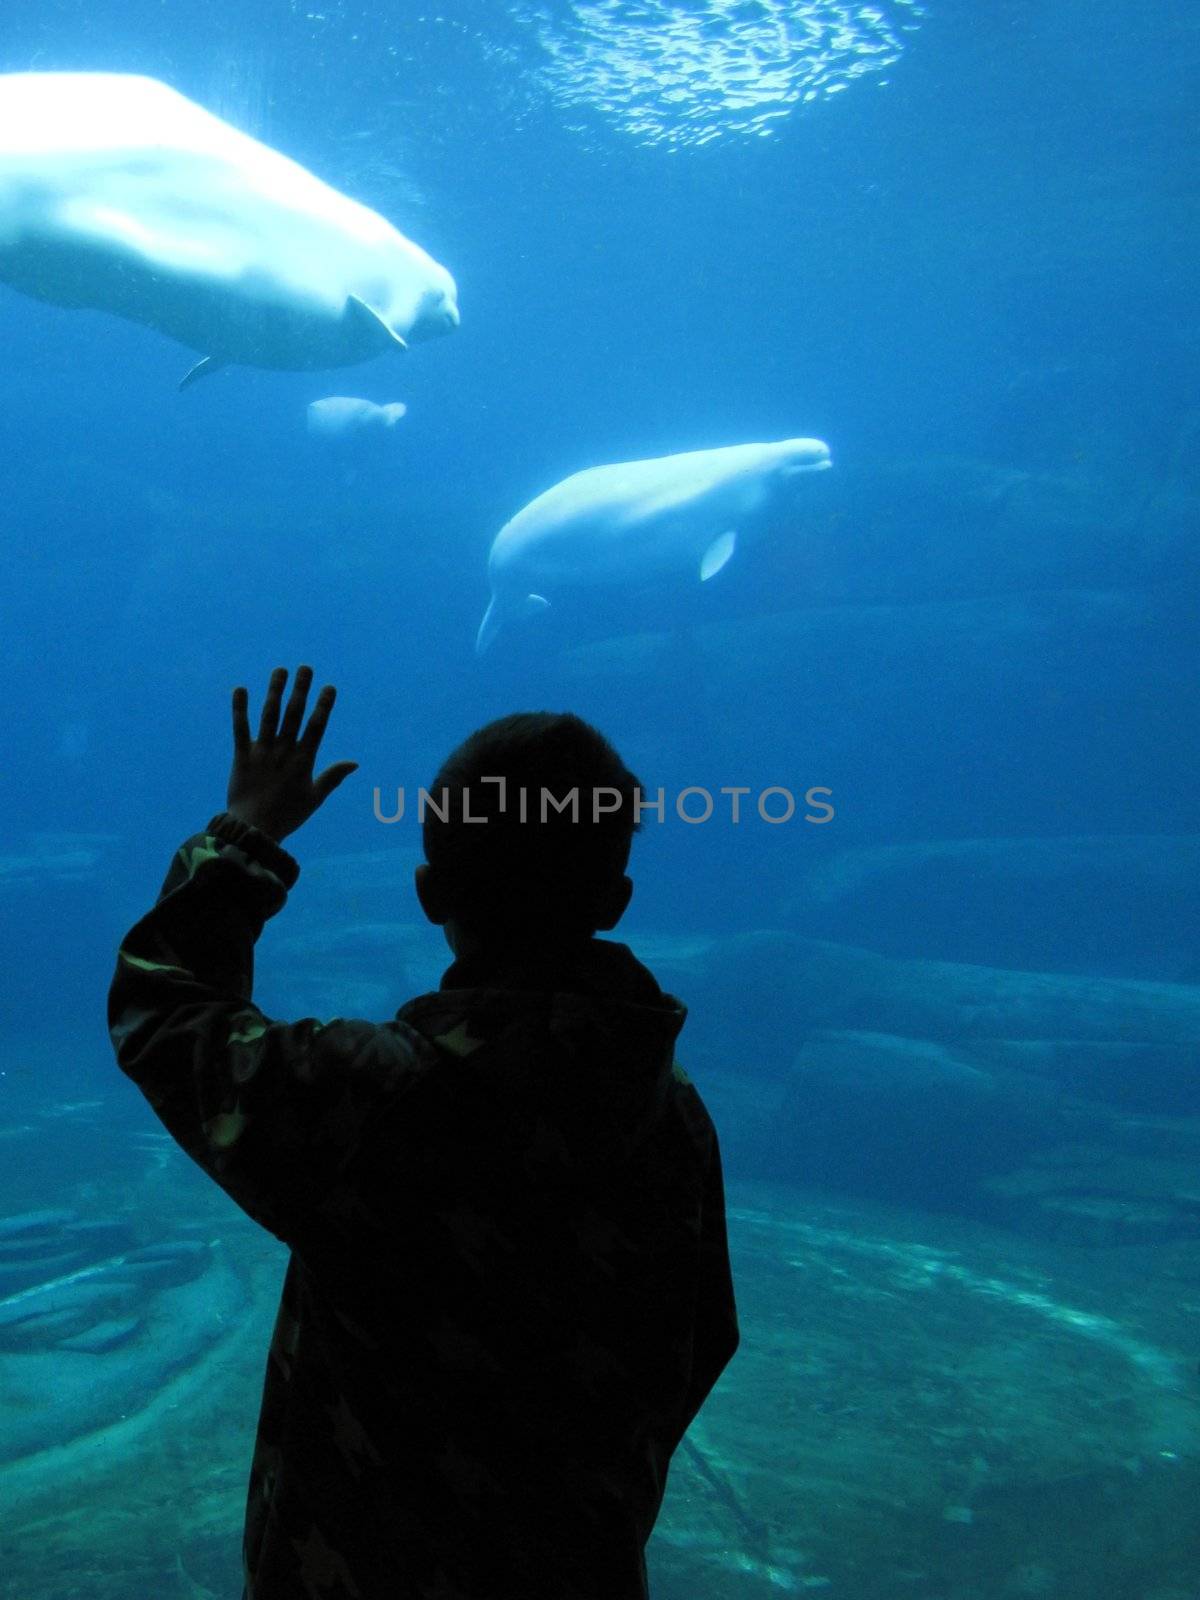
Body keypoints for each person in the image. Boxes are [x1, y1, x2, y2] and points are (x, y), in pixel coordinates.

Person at [108, 664, 739, 1600]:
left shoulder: (378, 1096)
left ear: (428, 891)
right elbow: (709, 1333)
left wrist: (248, 836)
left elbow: (164, 1014)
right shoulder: (670, 1110)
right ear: (615, 904)